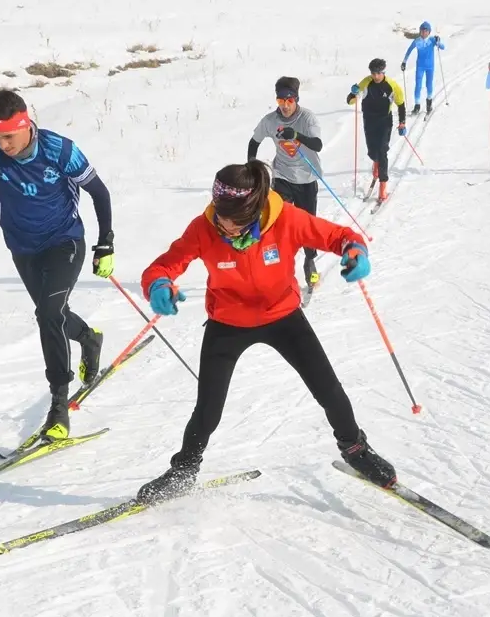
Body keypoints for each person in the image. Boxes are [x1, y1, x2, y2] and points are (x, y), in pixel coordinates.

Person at [135, 159, 396, 502]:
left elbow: (339, 236)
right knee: (208, 407)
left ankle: (356, 450)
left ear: (253, 211)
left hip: (283, 317)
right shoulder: (204, 227)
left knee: (328, 389)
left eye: (232, 223)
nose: (223, 227)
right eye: (219, 218)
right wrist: (158, 285)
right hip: (228, 323)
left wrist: (354, 251)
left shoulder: (285, 219)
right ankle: (183, 470)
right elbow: (163, 266)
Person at [0, 90, 114, 441]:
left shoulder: (60, 150)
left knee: (48, 313)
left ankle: (58, 406)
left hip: (64, 241)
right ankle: (89, 339)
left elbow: (99, 192)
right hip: (22, 249)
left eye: (8, 136)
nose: (2, 144)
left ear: (25, 124)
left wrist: (106, 244)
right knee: (53, 314)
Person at [248, 76, 324, 288]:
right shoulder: (270, 121)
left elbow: (317, 145)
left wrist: (297, 134)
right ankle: (275, 267)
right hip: (282, 176)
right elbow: (254, 142)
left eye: (289, 100)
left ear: (296, 99)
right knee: (275, 219)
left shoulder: (307, 118)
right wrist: (252, 167)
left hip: (307, 178)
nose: (285, 106)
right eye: (281, 100)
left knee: (307, 223)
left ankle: (310, 262)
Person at [346, 59, 406, 203]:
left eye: (378, 73)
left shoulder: (392, 85)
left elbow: (401, 104)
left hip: (385, 121)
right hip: (369, 121)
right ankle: (376, 162)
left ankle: (383, 185)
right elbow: (350, 101)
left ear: (383, 72)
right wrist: (353, 92)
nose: (376, 76)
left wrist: (402, 123)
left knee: (382, 150)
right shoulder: (366, 82)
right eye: (373, 73)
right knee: (373, 152)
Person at [400, 21, 446, 117]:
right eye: (422, 31)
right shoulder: (417, 41)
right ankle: (417, 106)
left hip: (430, 67)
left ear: (429, 32)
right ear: (420, 31)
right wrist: (404, 62)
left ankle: (429, 104)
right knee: (418, 85)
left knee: (429, 84)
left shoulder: (432, 40)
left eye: (426, 31)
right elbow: (409, 51)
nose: (424, 33)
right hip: (420, 66)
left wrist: (438, 41)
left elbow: (442, 47)